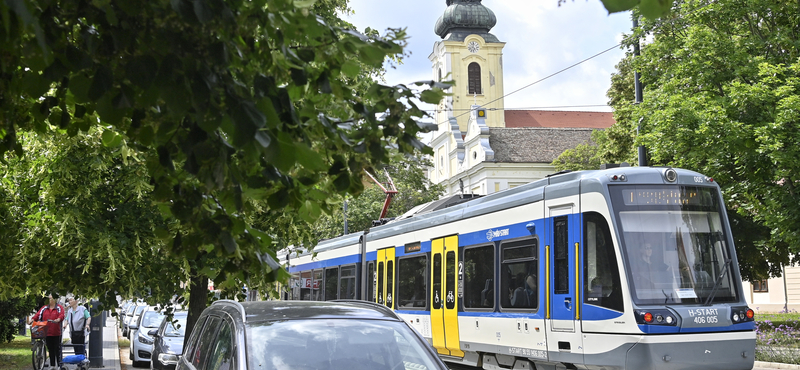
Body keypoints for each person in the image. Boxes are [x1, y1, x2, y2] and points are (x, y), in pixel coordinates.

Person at [29, 294, 66, 368]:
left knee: (57, 349)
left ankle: (59, 365)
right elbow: (38, 314)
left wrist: (58, 319)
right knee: (50, 348)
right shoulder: (44, 308)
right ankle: (52, 365)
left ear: (55, 299)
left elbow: (62, 315)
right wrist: (32, 319)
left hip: (56, 332)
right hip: (46, 331)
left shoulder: (59, 307)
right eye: (49, 299)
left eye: (51, 298)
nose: (50, 300)